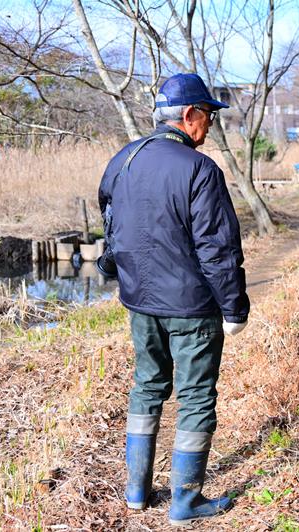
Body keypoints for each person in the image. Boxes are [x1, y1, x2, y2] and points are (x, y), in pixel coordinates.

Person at [97, 73, 250, 526]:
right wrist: (234, 308)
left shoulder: (124, 159)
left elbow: (110, 221)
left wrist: (116, 268)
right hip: (191, 308)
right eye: (207, 117)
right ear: (189, 116)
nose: (209, 128)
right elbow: (217, 249)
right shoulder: (199, 170)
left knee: (147, 386)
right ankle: (185, 502)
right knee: (196, 395)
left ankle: (136, 492)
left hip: (140, 302)